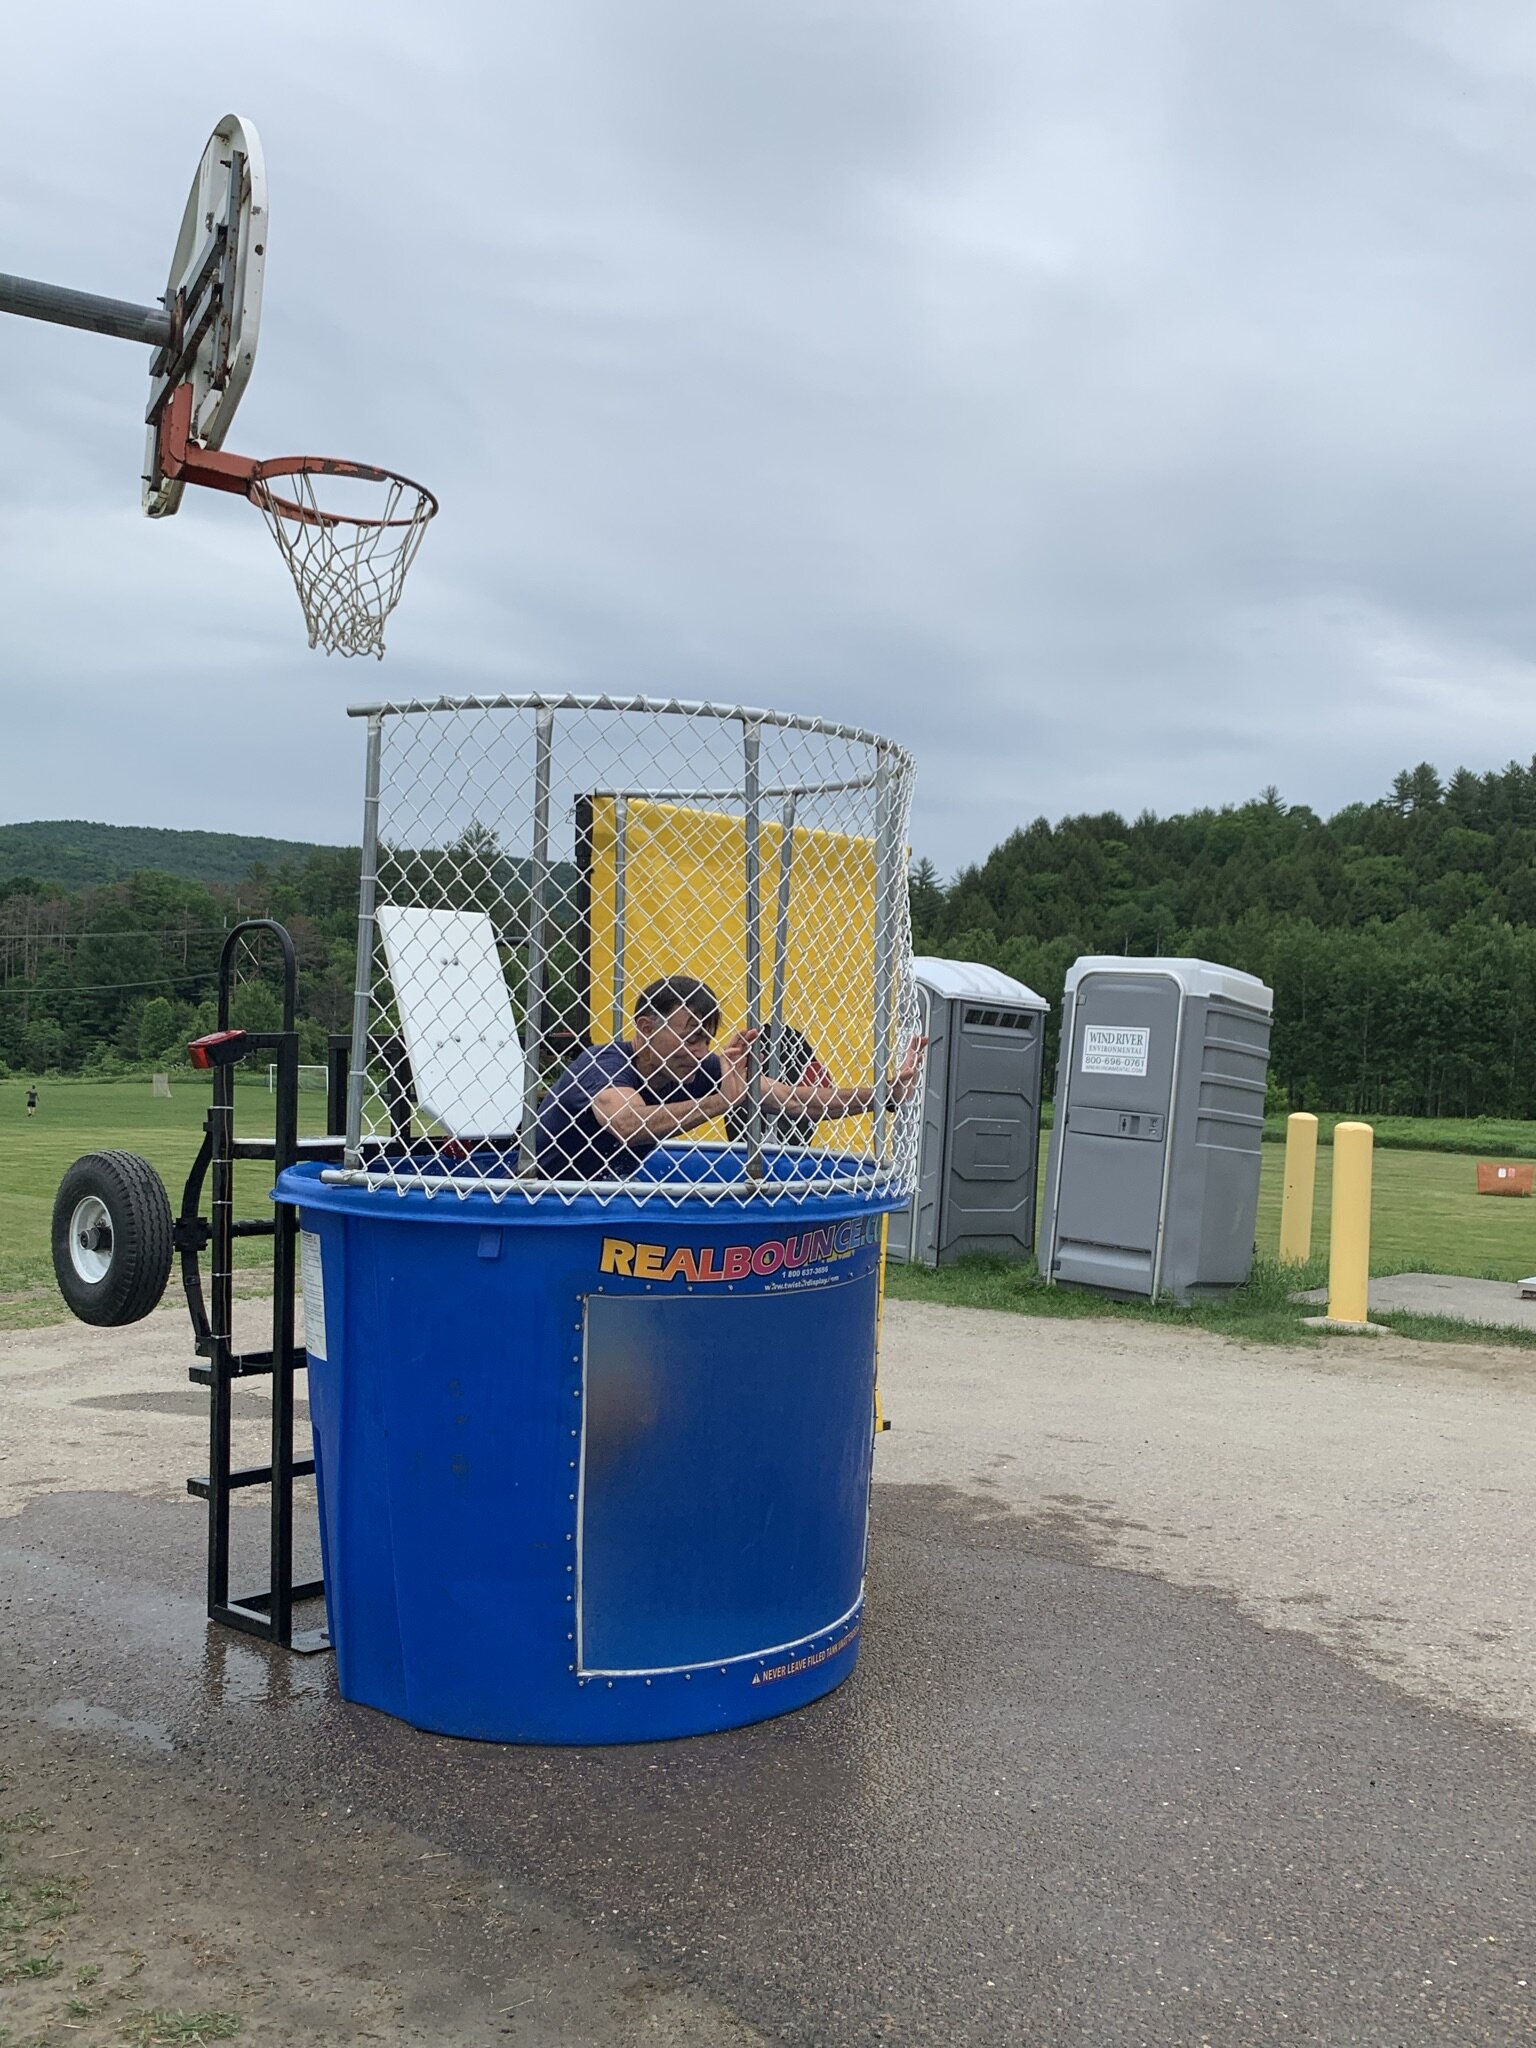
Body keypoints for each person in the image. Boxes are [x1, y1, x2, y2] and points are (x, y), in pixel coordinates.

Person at [534, 974, 925, 1182]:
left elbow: (792, 1099)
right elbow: (627, 1123)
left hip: (595, 1191)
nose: (701, 1050)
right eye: (690, 1036)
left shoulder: (695, 1066)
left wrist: (886, 1093)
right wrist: (723, 1101)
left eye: (707, 1038)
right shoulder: (604, 1064)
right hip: (535, 1195)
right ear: (646, 1027)